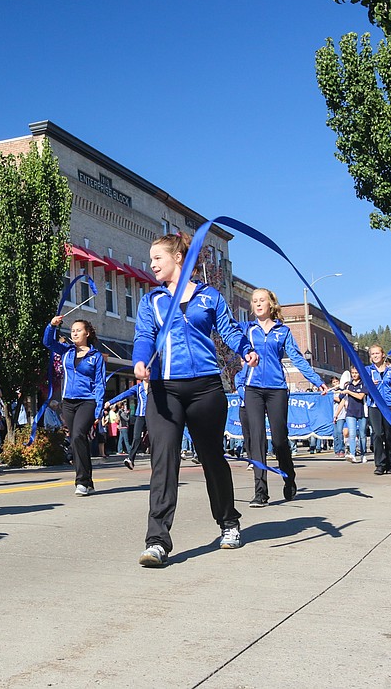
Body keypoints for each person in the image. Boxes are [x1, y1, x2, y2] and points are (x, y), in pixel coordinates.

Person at [133, 233, 258, 567]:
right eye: (151, 259)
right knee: (164, 459)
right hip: (164, 389)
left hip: (205, 388)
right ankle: (157, 540)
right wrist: (140, 361)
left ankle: (229, 522)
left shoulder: (209, 296)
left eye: (157, 257)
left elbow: (230, 331)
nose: (152, 264)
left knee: (211, 457)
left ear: (177, 258)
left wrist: (246, 350)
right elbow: (145, 335)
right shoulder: (152, 301)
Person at [238, 288, 324, 506]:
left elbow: (298, 359)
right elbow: (224, 327)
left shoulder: (282, 331)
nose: (257, 304)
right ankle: (261, 492)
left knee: (279, 440)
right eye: (254, 301)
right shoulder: (247, 329)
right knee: (256, 439)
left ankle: (289, 476)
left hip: (276, 389)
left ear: (271, 304)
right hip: (253, 389)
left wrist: (317, 381)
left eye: (262, 300)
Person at [43, 314, 106, 496]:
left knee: (79, 434)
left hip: (88, 401)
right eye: (72, 330)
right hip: (68, 401)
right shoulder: (67, 351)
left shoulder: (95, 356)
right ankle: (89, 481)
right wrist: (52, 325)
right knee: (77, 440)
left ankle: (81, 481)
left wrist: (99, 408)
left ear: (87, 333)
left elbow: (100, 383)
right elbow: (48, 342)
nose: (75, 333)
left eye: (78, 330)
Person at [365, 345, 391, 475]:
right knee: (377, 434)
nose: (375, 356)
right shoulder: (367, 370)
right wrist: (370, 386)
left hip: (388, 405)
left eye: (377, 353)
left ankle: (389, 462)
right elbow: (363, 387)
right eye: (372, 354)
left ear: (383, 354)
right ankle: (380, 464)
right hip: (374, 405)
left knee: (388, 435)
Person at [110, 379, 148, 470]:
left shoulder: (155, 386)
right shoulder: (138, 387)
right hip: (140, 415)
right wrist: (110, 402)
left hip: (153, 415)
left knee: (156, 438)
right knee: (136, 437)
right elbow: (124, 395)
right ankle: (130, 459)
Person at [337, 366, 367, 463]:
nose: (354, 375)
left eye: (356, 373)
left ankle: (363, 454)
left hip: (362, 411)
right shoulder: (348, 385)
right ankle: (353, 454)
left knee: (362, 434)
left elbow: (360, 396)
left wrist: (349, 392)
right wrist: (336, 414)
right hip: (350, 412)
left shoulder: (363, 384)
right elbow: (342, 400)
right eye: (352, 373)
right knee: (352, 434)